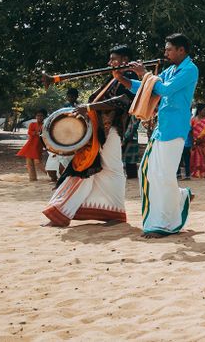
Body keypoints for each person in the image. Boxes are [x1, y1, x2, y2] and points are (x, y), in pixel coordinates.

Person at [113, 33, 199, 239]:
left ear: (181, 50)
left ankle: (163, 223)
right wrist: (122, 78)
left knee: (163, 175)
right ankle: (180, 198)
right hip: (161, 129)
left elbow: (165, 90)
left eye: (169, 49)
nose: (165, 52)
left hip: (175, 129)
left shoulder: (189, 69)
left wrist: (144, 74)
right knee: (149, 172)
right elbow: (148, 88)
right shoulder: (170, 70)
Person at [43, 45, 137, 226]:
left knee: (108, 170)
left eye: (114, 59)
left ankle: (114, 213)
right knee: (98, 169)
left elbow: (123, 101)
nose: (110, 63)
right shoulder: (115, 78)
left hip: (110, 131)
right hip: (100, 130)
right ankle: (111, 213)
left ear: (125, 60)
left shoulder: (130, 77)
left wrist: (88, 108)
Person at [17, 110, 45, 181]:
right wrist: (36, 133)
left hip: (38, 145)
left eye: (41, 115)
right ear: (35, 116)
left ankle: (51, 174)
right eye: (38, 115)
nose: (39, 117)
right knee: (29, 163)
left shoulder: (45, 125)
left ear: (44, 117)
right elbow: (29, 132)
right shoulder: (32, 124)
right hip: (30, 145)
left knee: (38, 162)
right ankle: (32, 178)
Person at [190, 104, 205, 178]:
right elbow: (191, 131)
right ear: (199, 111)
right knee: (196, 158)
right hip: (196, 142)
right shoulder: (193, 120)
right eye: (204, 110)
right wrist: (193, 141)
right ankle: (197, 172)